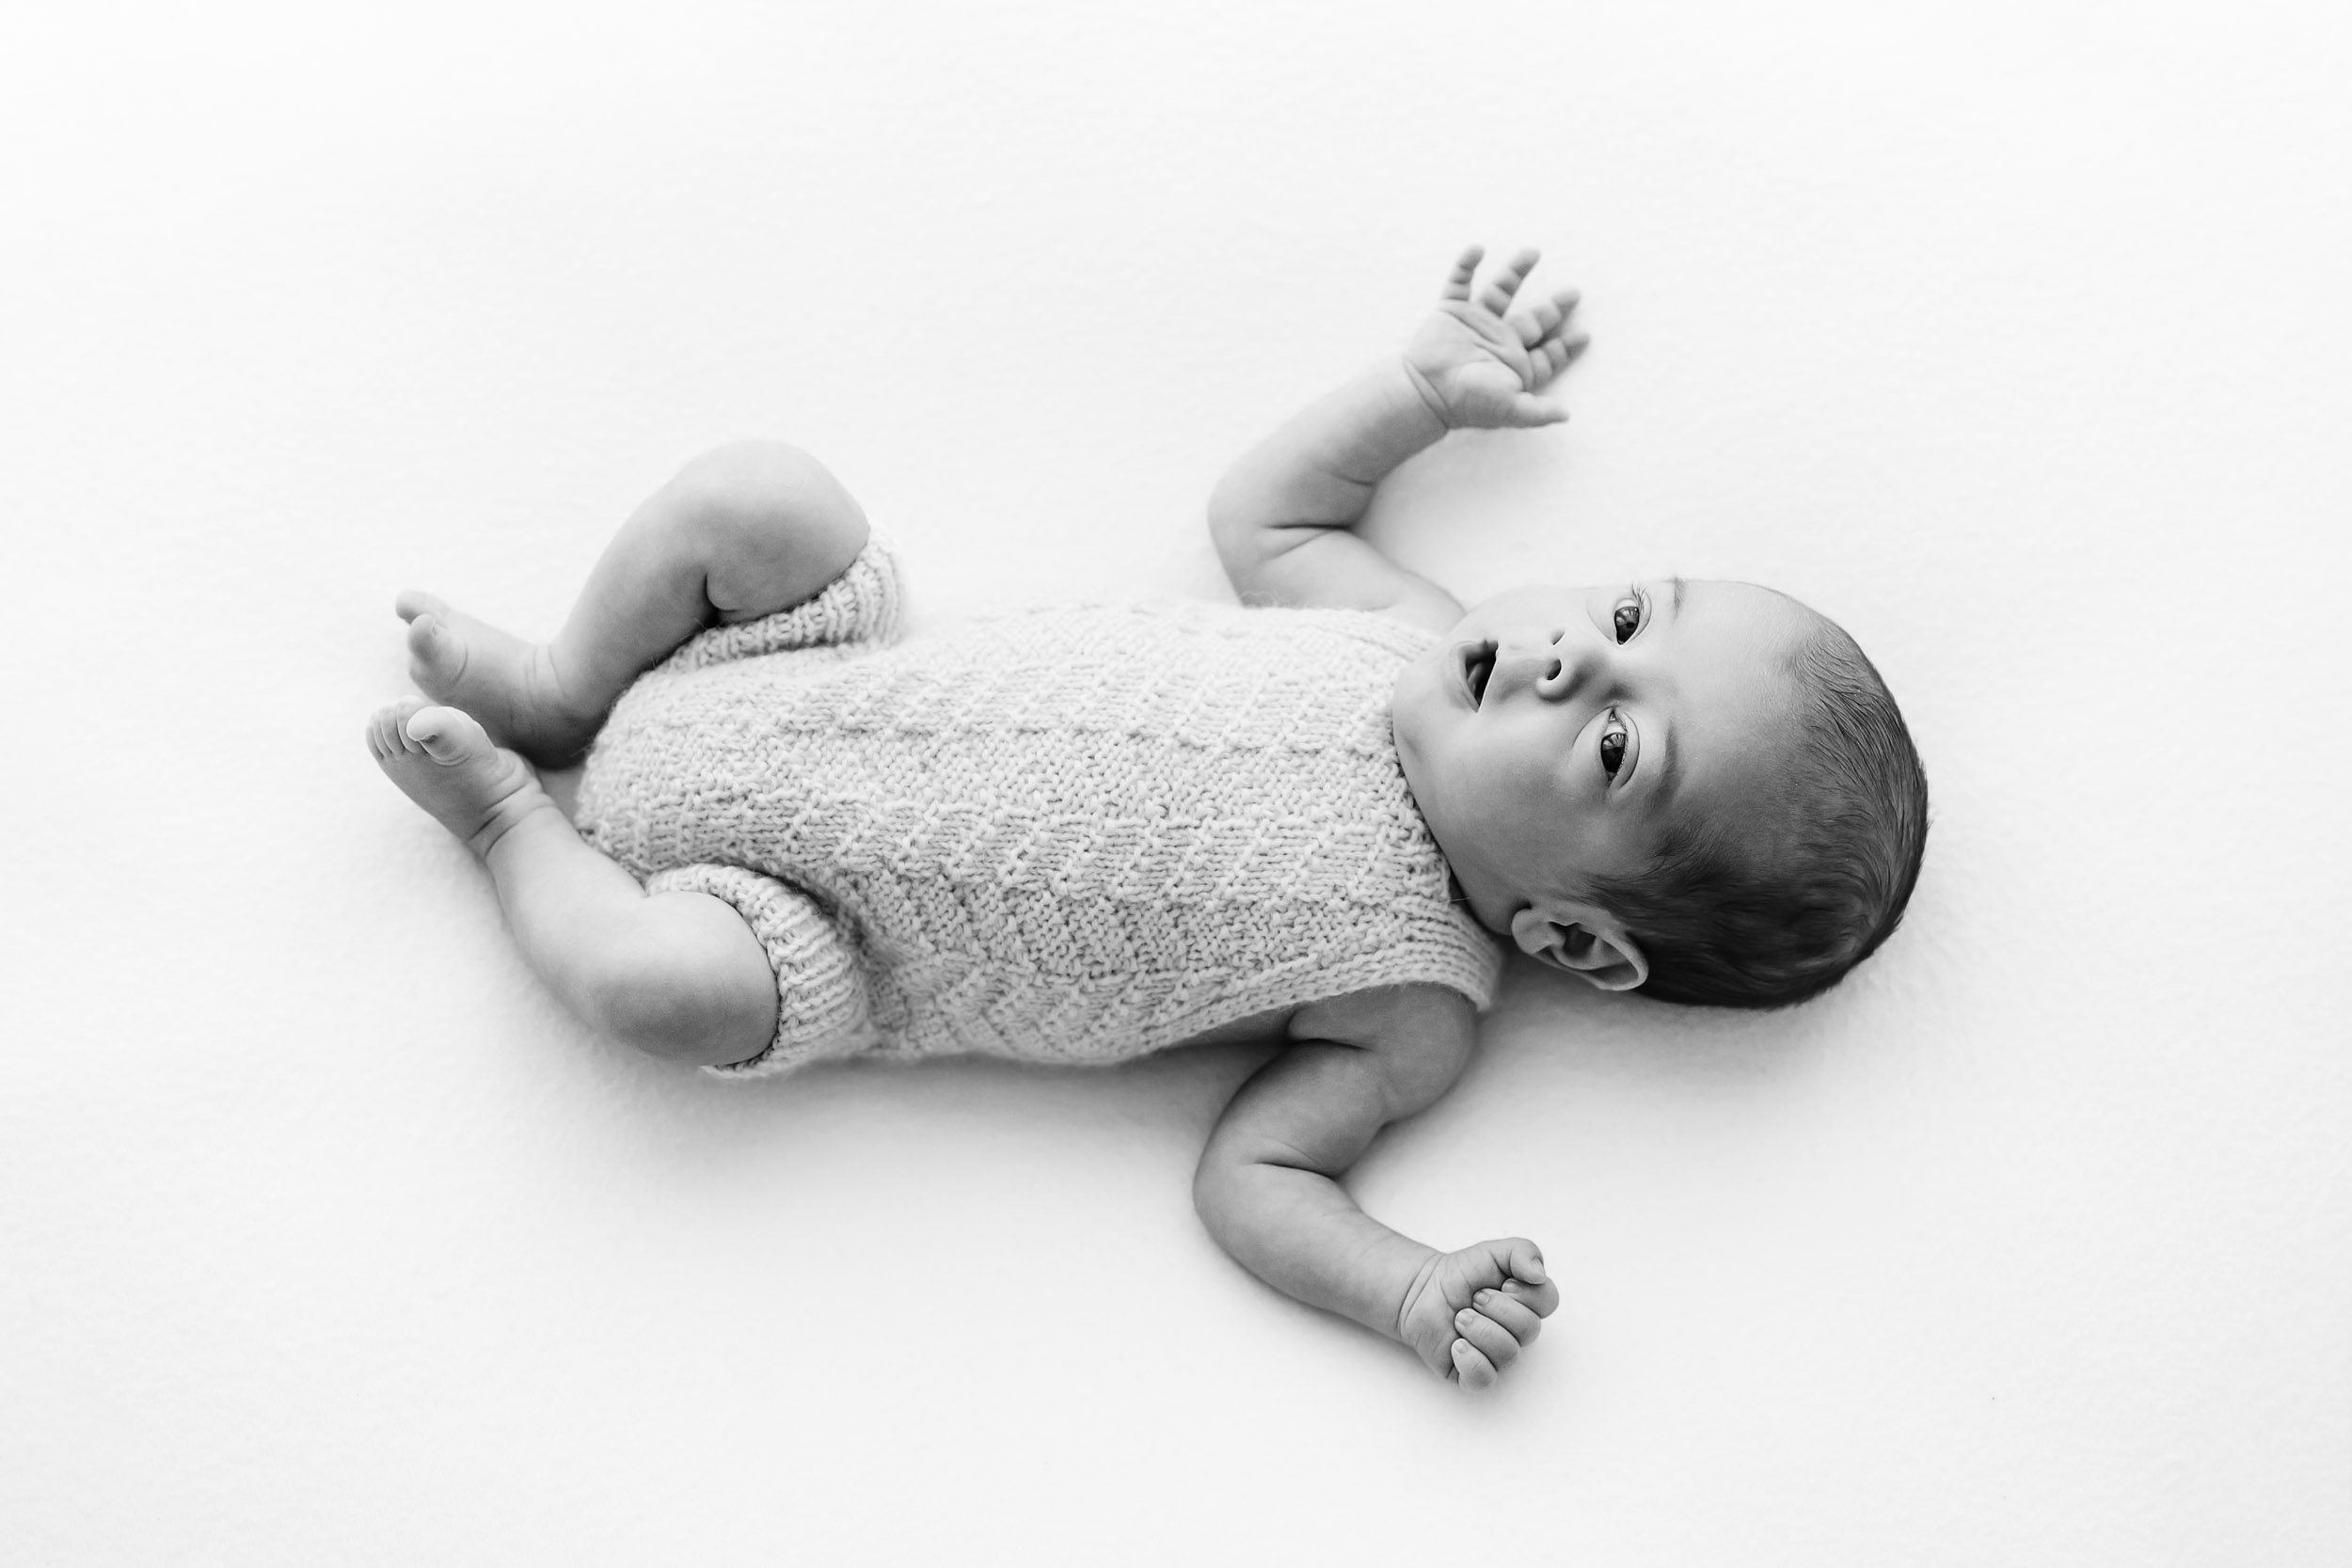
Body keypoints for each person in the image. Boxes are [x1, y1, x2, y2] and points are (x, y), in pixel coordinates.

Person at [366, 245, 1929, 1389]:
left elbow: (1259, 1182)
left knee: (664, 997)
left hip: (801, 927)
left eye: (1613, 746)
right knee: (762, 495)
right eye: (1631, 612)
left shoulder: (1415, 1009)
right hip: (802, 658)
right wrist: (1411, 394)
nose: (1574, 652)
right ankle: (564, 689)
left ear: (1577, 939)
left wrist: (1403, 1288)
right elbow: (1271, 511)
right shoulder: (1396, 629)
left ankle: (508, 824)